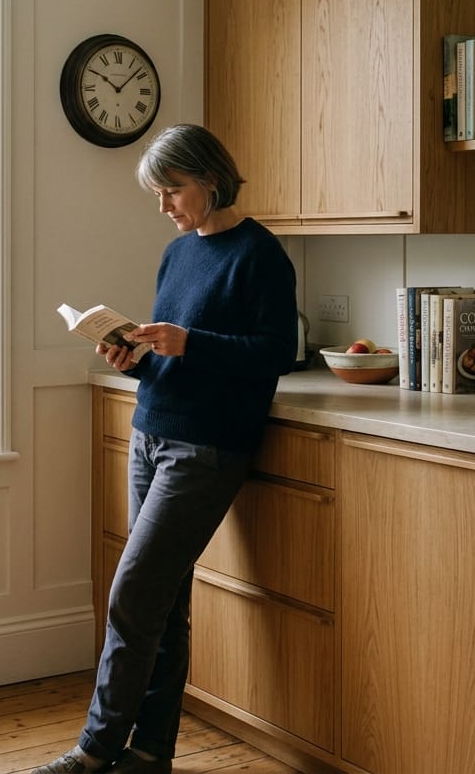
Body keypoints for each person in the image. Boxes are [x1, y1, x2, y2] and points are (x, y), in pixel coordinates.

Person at [35, 123, 298, 774]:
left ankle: (95, 752)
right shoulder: (178, 254)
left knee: (133, 594)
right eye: (157, 193)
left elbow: (275, 354)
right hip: (151, 430)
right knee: (164, 601)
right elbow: (171, 359)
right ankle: (150, 753)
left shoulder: (260, 255)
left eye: (172, 190)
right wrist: (132, 360)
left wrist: (192, 343)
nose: (164, 206)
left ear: (209, 180)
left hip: (207, 447)